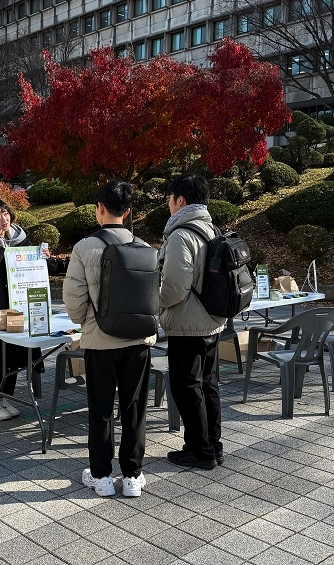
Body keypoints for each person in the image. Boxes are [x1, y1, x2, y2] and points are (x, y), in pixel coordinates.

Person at [62, 180, 156, 497]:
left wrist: (86, 322)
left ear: (98, 209)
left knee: (100, 408)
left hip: (100, 342)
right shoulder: (145, 249)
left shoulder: (85, 247)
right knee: (134, 407)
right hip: (139, 341)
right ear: (127, 212)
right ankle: (132, 476)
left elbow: (74, 301)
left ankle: (102, 477)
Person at [158, 173, 227, 470]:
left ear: (180, 200)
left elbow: (173, 287)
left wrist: (155, 304)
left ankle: (199, 451)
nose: (168, 205)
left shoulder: (181, 235)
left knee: (187, 386)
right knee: (209, 384)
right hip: (213, 320)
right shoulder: (213, 228)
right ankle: (213, 445)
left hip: (188, 323)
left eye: (170, 199)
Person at [0, 198, 47, 420]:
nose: (3, 219)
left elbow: (31, 268)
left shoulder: (21, 239)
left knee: (12, 353)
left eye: (5, 213)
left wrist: (43, 260)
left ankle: (2, 397)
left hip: (15, 307)